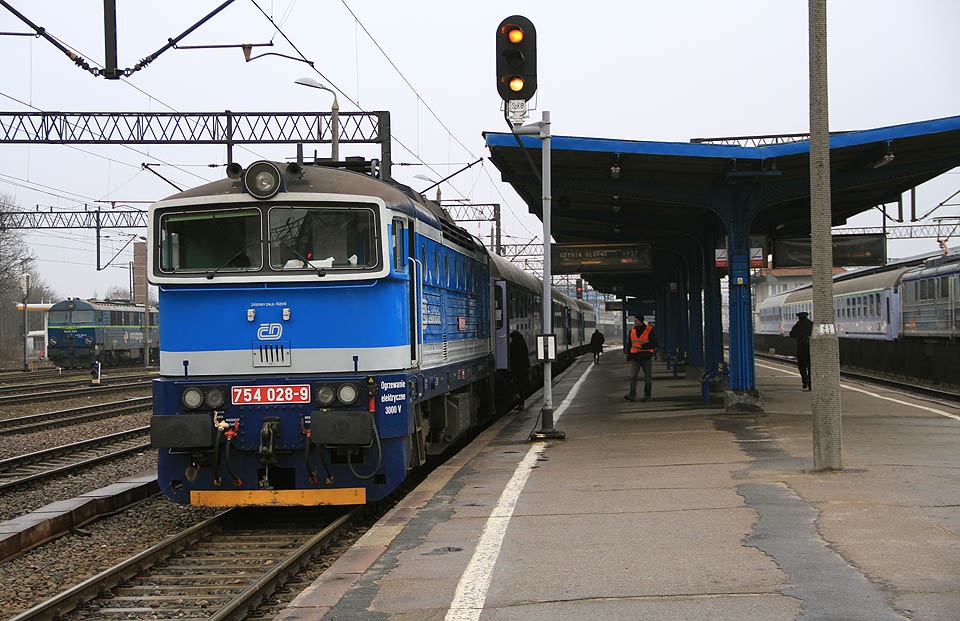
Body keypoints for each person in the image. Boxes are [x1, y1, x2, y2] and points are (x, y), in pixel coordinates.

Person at [625, 315, 657, 402]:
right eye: (634, 320)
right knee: (633, 377)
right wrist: (629, 356)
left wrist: (642, 347)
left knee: (647, 378)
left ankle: (647, 396)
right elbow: (630, 344)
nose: (635, 322)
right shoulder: (632, 330)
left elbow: (654, 343)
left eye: (636, 320)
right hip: (635, 357)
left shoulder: (649, 330)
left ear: (641, 321)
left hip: (646, 357)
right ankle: (632, 394)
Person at [790, 311, 813, 391]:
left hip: (801, 348)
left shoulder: (798, 325)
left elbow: (791, 334)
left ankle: (805, 380)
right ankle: (810, 383)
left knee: (802, 366)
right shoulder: (811, 324)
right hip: (811, 348)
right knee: (811, 366)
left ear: (799, 317)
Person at [508, 330, 530, 410]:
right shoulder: (523, 343)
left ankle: (519, 402)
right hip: (524, 368)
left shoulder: (514, 345)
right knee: (521, 387)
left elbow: (512, 357)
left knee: (517, 386)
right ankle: (521, 404)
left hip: (517, 369)